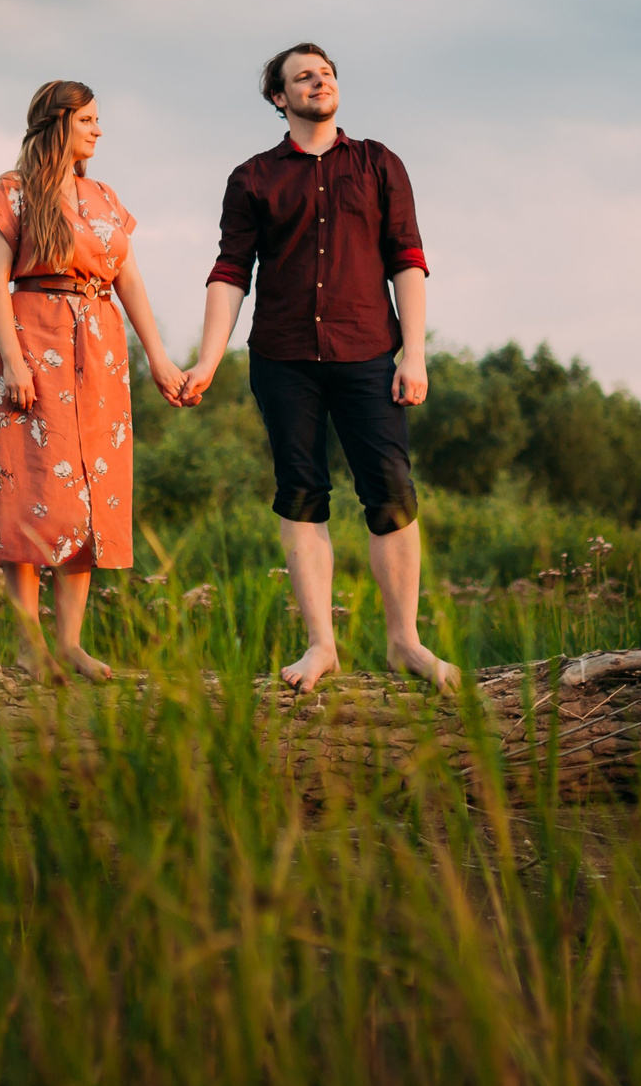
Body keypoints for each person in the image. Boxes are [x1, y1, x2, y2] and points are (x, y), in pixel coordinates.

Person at [182, 43, 458, 693]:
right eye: (303, 76)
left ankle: (404, 643)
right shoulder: (252, 178)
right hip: (283, 360)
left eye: (326, 72)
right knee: (301, 493)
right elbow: (230, 273)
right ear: (280, 98)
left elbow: (407, 258)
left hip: (370, 353)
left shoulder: (378, 163)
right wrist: (207, 360)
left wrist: (413, 353)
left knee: (390, 494)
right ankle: (321, 646)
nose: (319, 80)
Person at [0, 80, 189, 682]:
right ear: (57, 123)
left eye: (99, 119)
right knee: (26, 490)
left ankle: (69, 643)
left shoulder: (103, 196)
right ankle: (28, 645)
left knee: (88, 496)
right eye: (88, 119)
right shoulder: (11, 193)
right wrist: (14, 362)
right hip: (35, 342)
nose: (98, 130)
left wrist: (161, 359)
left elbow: (131, 282)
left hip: (100, 351)